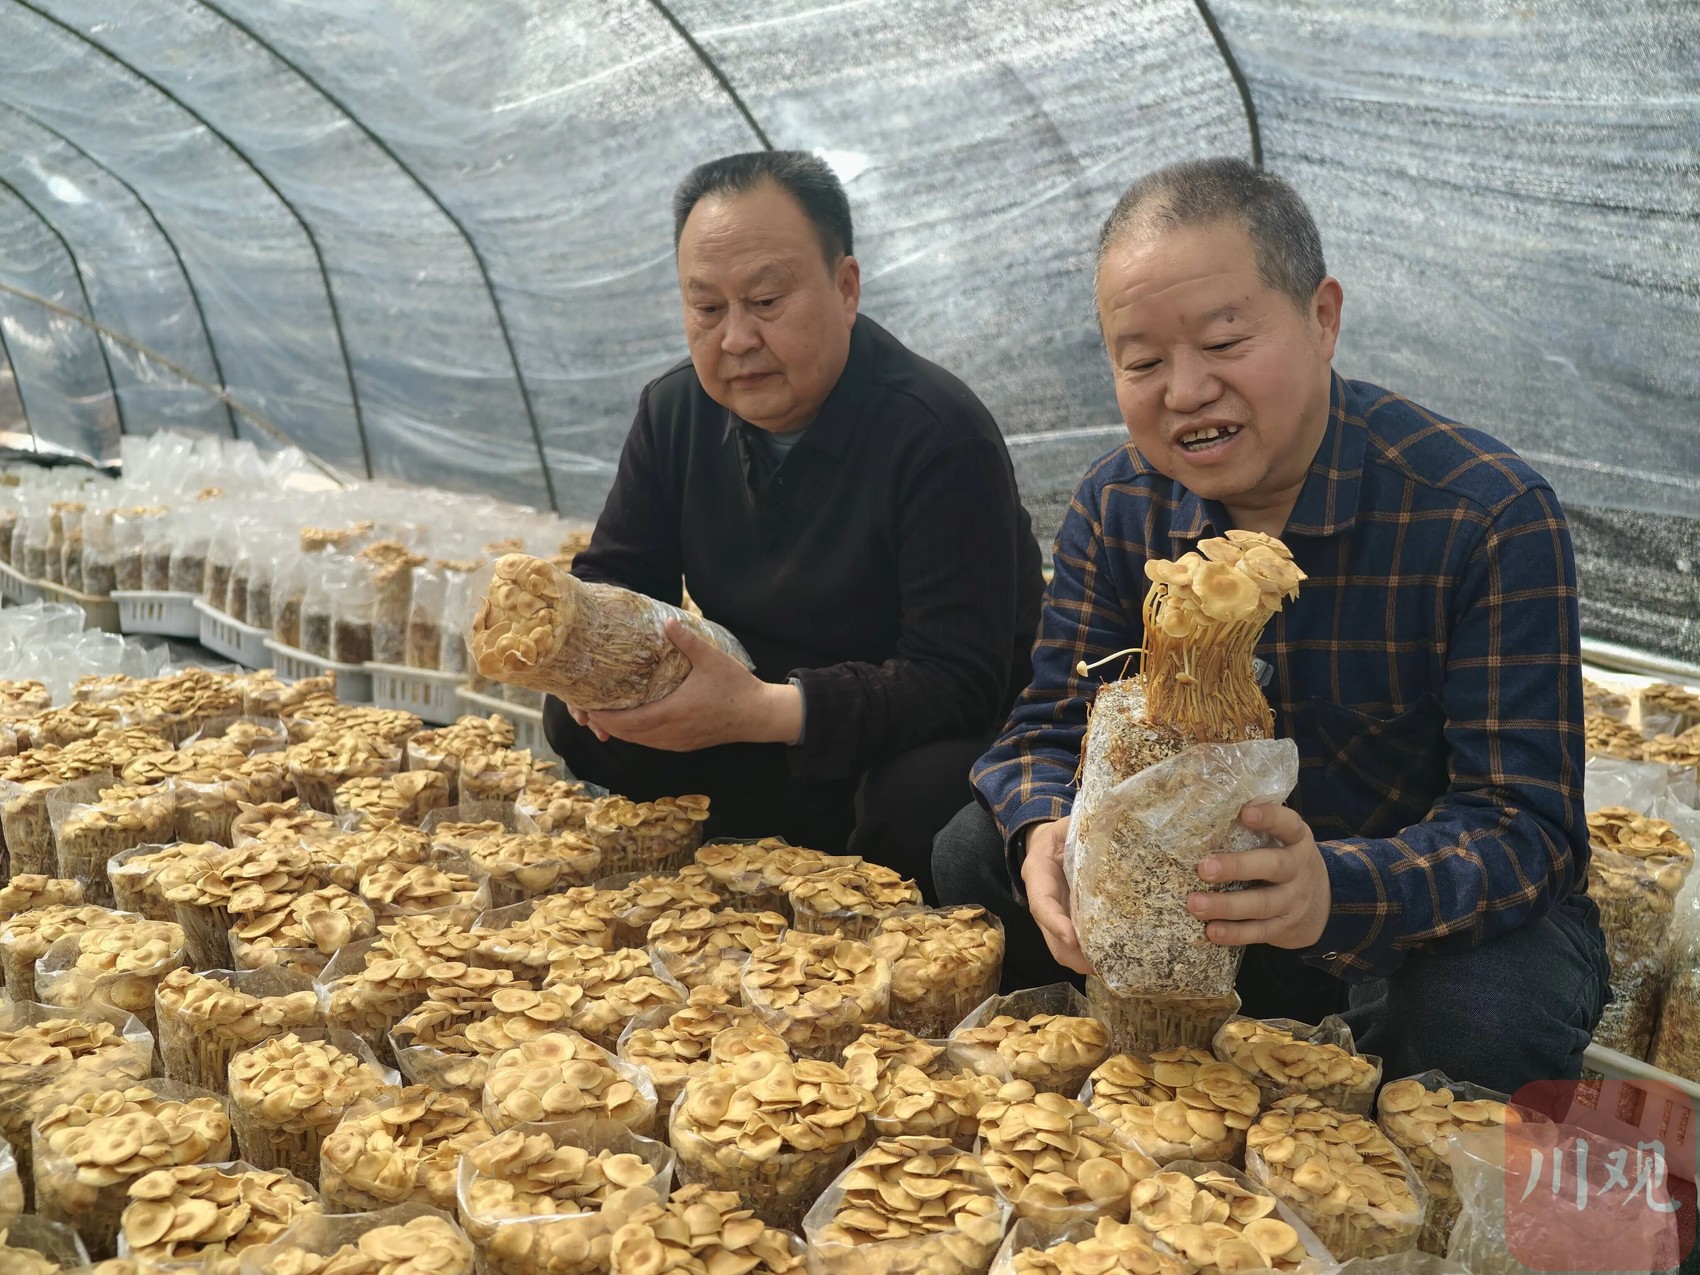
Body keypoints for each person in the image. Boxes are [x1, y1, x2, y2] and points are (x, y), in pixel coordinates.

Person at [934, 156, 1609, 1092]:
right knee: (975, 848)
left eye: (1224, 341)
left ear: (1322, 318)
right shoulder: (1120, 504)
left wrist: (1333, 889)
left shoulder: (1484, 515)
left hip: (1400, 927)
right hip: (1193, 910)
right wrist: (1045, 830)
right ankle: (1096, 1116)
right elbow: (1045, 728)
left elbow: (1523, 824)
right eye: (1143, 362)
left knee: (1484, 1006)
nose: (1184, 390)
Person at [545, 150, 1044, 898]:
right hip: (755, 720)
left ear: (846, 287)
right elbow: (617, 581)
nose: (736, 338)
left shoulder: (939, 432)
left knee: (922, 796)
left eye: (766, 300)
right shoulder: (675, 412)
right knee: (574, 718)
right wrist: (582, 655)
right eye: (707, 308)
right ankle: (728, 867)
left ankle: (886, 926)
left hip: (906, 733)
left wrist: (763, 710)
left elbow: (955, 682)